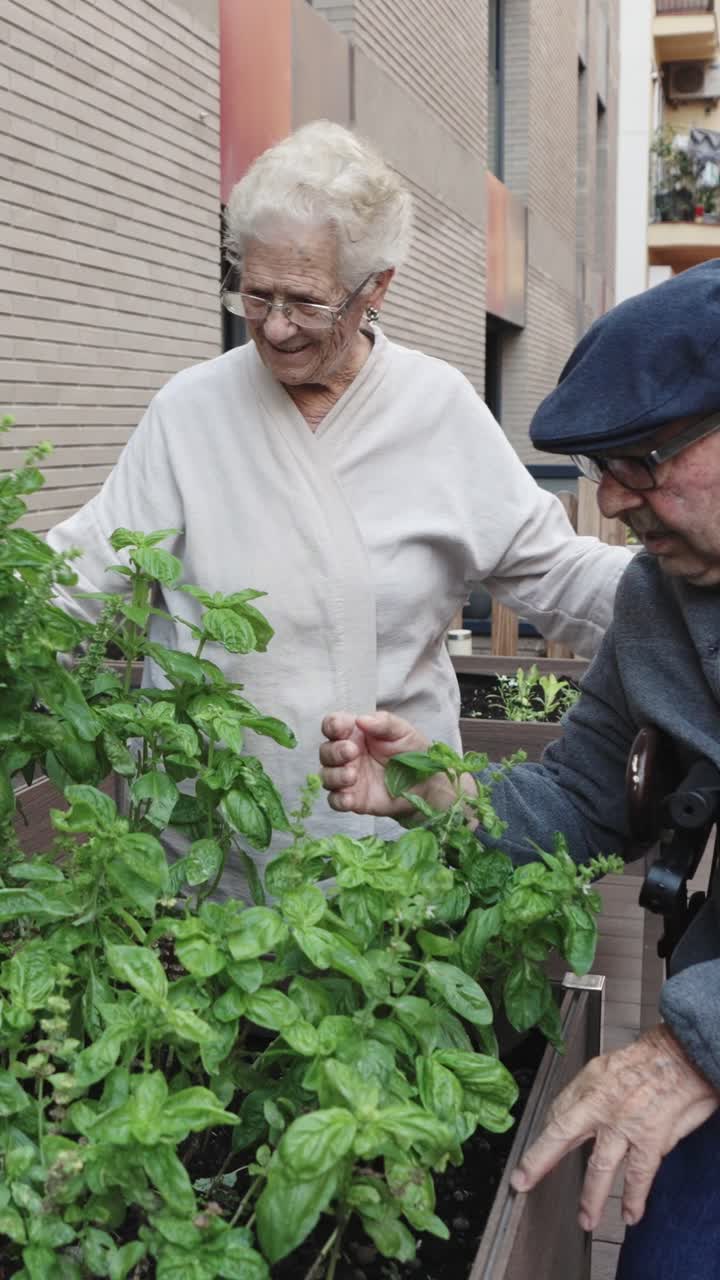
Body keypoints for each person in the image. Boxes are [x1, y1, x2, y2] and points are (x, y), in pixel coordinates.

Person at [47, 120, 629, 895]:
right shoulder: (191, 411)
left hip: (389, 844)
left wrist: (689, 597)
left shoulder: (437, 410)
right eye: (255, 294)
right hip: (208, 842)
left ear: (375, 287)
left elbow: (557, 574)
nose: (276, 326)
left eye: (307, 303)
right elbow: (78, 574)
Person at [319, 260, 720, 1280]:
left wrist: (694, 1039)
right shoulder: (657, 601)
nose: (617, 502)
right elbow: (587, 794)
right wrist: (434, 792)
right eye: (602, 470)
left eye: (642, 459)